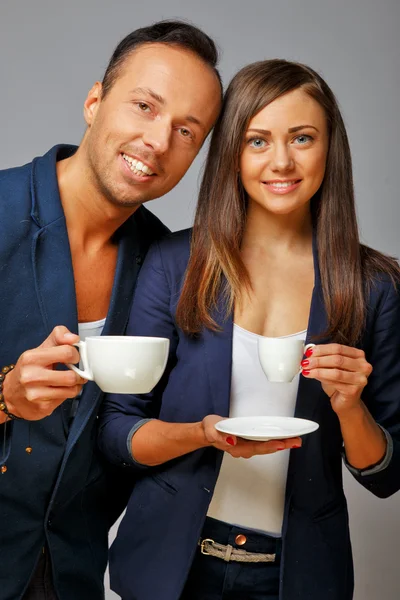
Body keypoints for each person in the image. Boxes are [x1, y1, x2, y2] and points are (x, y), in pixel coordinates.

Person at [99, 58, 400, 600]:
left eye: (302, 138)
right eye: (257, 141)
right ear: (232, 153)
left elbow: (384, 475)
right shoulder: (173, 264)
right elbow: (118, 432)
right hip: (170, 568)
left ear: (330, 148)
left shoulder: (373, 286)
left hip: (296, 574)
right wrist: (201, 434)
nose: (281, 161)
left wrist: (351, 406)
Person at [0, 20, 222, 600]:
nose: (158, 141)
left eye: (186, 132)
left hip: (71, 572)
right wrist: (3, 398)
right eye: (144, 106)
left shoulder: (167, 263)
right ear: (95, 101)